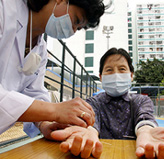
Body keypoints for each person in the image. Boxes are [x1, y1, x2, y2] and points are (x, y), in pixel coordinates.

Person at [43, 48, 164, 159]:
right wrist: (88, 131)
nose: (116, 74)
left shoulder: (141, 101)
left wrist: (146, 131)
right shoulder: (93, 102)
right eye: (109, 70)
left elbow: (145, 119)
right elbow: (90, 123)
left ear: (131, 75)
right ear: (100, 77)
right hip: (99, 158)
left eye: (122, 69)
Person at [0, 0, 104, 137]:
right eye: (76, 20)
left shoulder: (40, 50)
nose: (72, 31)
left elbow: (34, 93)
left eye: (78, 28)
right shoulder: (5, 10)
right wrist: (54, 111)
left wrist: (45, 123)